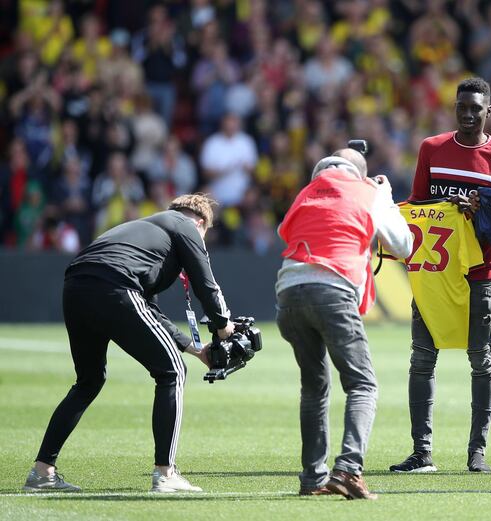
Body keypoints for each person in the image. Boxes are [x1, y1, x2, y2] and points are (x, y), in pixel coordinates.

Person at [23, 193, 234, 493]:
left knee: (88, 381)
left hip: (76, 285)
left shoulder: (148, 231)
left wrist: (196, 349)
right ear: (201, 223)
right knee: (172, 372)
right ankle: (165, 473)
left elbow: (149, 310)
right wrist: (224, 326)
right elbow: (206, 284)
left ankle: (42, 473)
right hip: (114, 284)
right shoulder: (185, 226)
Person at [390, 77, 491, 474]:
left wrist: (481, 210)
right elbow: (416, 204)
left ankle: (477, 452)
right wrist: (446, 203)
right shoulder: (432, 148)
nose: (467, 114)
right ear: (455, 107)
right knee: (422, 360)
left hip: (482, 271)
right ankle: (421, 452)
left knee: (481, 360)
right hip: (436, 271)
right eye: (462, 107)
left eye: (475, 108)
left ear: (488, 112)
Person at [275, 148, 412, 499]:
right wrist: (386, 199)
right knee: (362, 385)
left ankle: (313, 479)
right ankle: (349, 471)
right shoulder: (368, 192)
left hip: (288, 293)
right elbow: (403, 245)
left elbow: (285, 232)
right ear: (361, 174)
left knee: (314, 388)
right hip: (333, 287)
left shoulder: (305, 194)